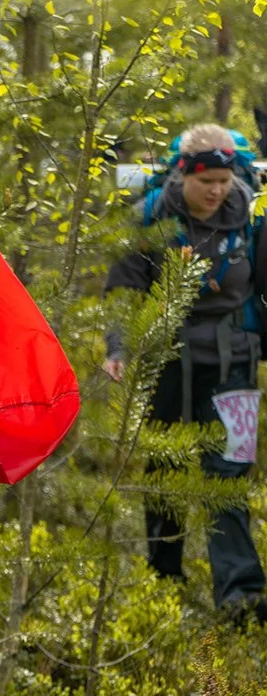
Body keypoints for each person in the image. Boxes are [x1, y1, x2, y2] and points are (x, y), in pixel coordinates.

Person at [103, 123, 267, 624]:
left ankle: (241, 596)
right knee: (165, 473)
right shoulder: (151, 218)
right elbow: (124, 289)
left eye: (223, 180)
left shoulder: (253, 218)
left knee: (230, 475)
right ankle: (164, 579)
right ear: (182, 176)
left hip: (234, 362)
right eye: (206, 182)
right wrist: (118, 347)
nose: (217, 191)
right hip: (166, 363)